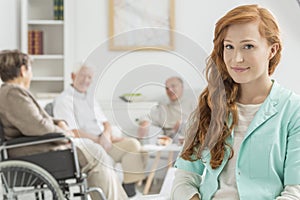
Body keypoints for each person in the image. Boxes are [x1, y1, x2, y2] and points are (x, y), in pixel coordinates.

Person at [171, 4, 300, 200]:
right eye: (229, 47)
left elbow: (294, 191)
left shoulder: (293, 111)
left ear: (272, 50)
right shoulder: (209, 105)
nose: (236, 58)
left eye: (248, 46)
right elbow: (184, 179)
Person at [0, 50, 128, 200]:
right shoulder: (13, 94)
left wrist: (60, 122)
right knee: (96, 153)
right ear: (23, 70)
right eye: (30, 69)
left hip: (37, 147)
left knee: (95, 152)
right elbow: (39, 127)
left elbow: (37, 120)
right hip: (36, 151)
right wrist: (65, 134)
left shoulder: (11, 92)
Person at [53, 65, 146, 198]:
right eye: (82, 76)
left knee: (132, 144)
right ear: (73, 77)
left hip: (104, 141)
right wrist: (98, 140)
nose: (86, 80)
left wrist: (107, 136)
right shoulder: (64, 100)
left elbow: (105, 122)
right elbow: (71, 131)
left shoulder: (90, 98)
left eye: (89, 77)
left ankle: (129, 190)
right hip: (88, 145)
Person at [138, 76, 196, 142]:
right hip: (168, 138)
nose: (170, 90)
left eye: (173, 86)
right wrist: (145, 122)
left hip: (187, 137)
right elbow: (147, 116)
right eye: (167, 88)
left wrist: (184, 122)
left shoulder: (193, 103)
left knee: (183, 126)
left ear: (182, 87)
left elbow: (202, 121)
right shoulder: (164, 106)